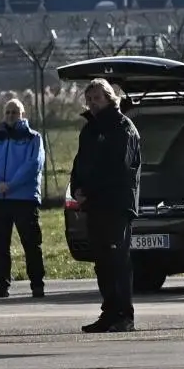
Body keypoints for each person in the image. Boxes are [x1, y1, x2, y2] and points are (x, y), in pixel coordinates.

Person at [71, 77, 144, 331]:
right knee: (102, 261)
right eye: (89, 99)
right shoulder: (90, 130)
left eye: (97, 98)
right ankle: (109, 313)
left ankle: (124, 315)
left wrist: (90, 191)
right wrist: (77, 188)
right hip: (94, 205)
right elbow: (79, 163)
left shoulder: (123, 128)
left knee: (117, 260)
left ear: (109, 98)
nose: (92, 103)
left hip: (116, 204)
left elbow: (118, 168)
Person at [0, 96, 49, 299]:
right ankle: (1, 285)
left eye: (14, 112)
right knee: (0, 245)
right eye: (8, 112)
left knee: (31, 244)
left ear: (22, 114)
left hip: (24, 199)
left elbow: (33, 165)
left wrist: (11, 184)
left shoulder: (33, 138)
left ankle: (37, 284)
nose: (10, 115)